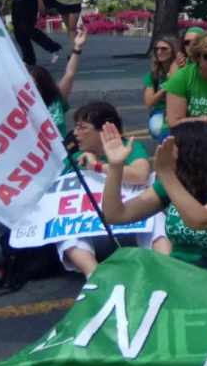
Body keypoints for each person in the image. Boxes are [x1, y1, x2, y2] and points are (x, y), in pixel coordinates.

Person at [100, 122, 207, 284]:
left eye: (172, 149)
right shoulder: (172, 184)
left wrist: (166, 173)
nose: (163, 154)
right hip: (181, 271)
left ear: (194, 154)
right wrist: (115, 166)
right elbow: (115, 215)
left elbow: (201, 220)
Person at [57, 103, 167, 277]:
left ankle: (164, 267)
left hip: (128, 223)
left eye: (82, 127)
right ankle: (94, 275)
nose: (75, 133)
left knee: (156, 217)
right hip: (89, 225)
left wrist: (98, 166)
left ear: (103, 130)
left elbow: (140, 174)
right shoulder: (75, 155)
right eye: (75, 127)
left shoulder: (128, 147)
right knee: (63, 227)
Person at [29, 26, 86, 137]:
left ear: (43, 84)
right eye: (28, 85)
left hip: (61, 152)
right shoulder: (22, 107)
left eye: (34, 84)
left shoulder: (56, 101)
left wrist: (77, 47)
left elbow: (70, 73)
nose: (31, 88)